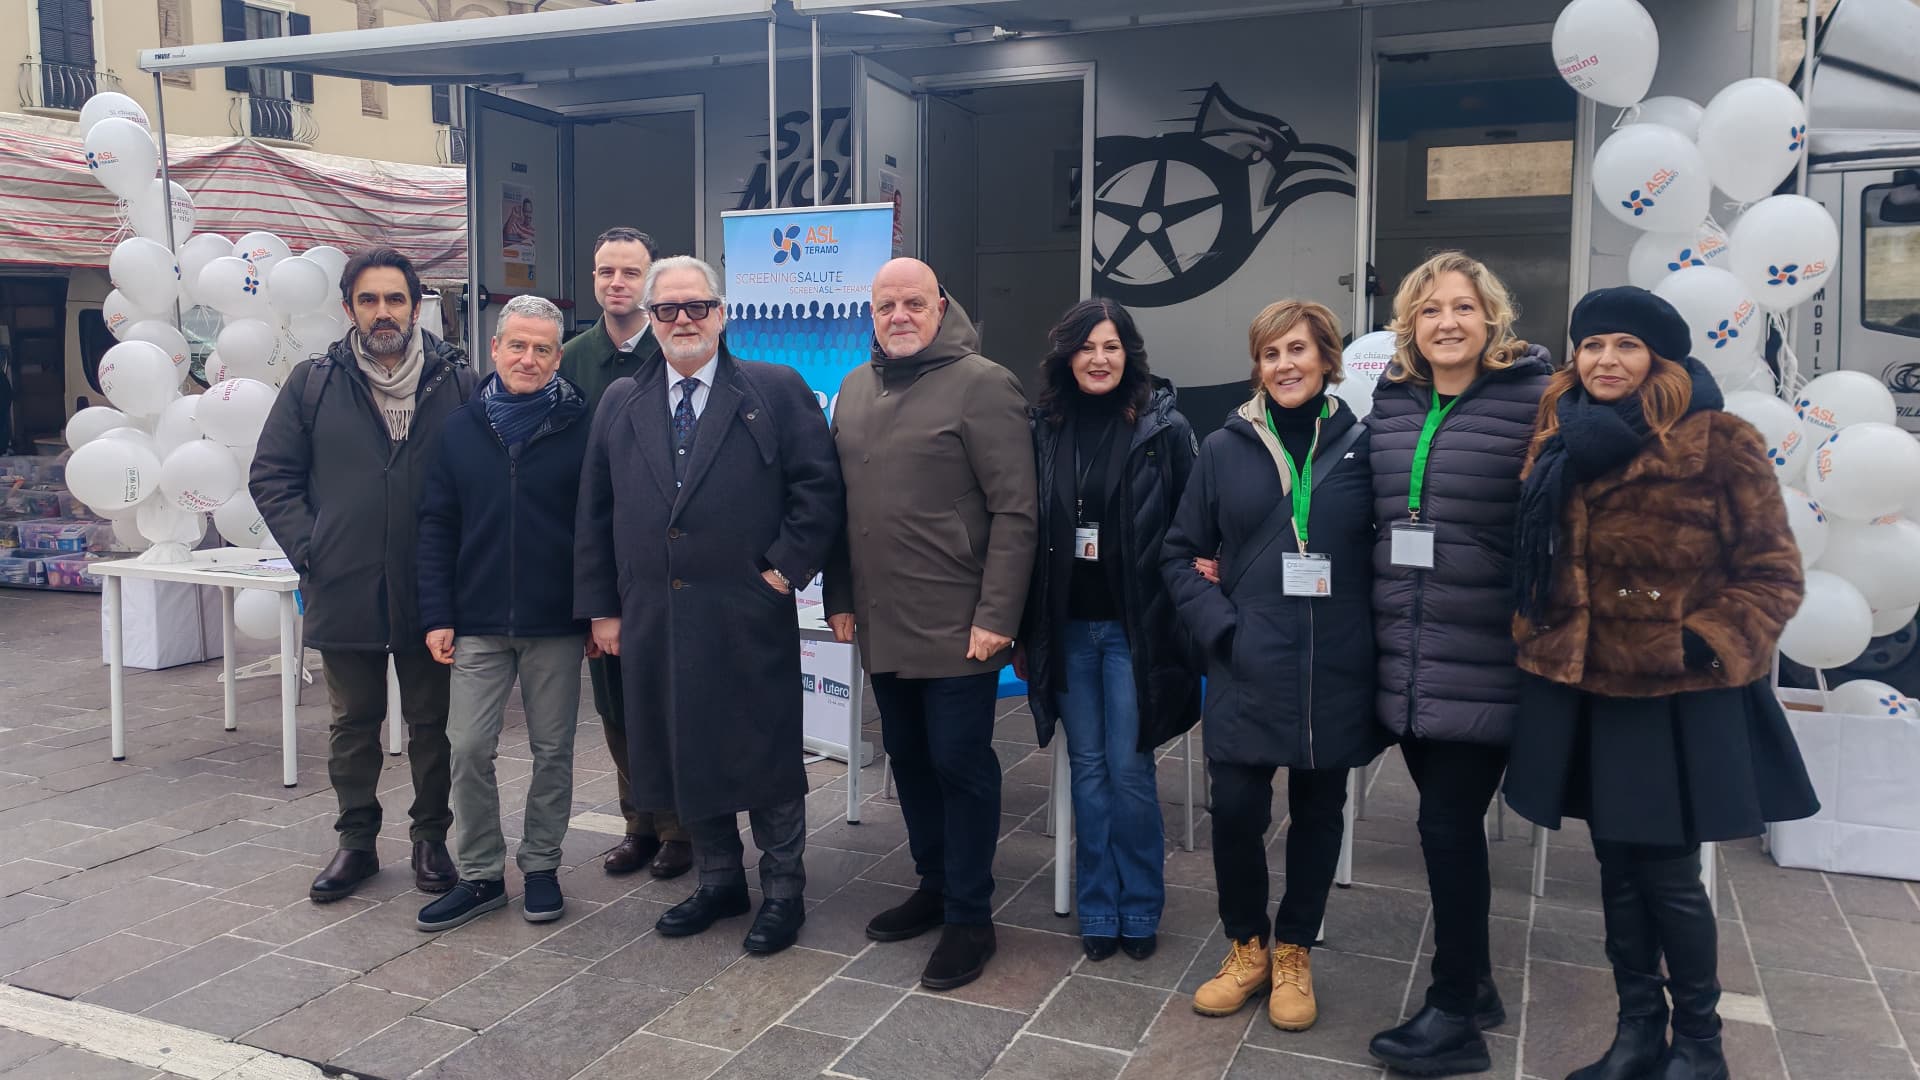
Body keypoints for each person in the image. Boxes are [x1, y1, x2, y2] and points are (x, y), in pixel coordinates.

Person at [1505, 287, 1817, 1080]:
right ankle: (1638, 1032)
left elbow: (1773, 576)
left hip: (1672, 695)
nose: (1606, 360)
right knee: (1614, 869)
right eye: (1592, 344)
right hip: (1583, 689)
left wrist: (1690, 638)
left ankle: (1702, 1047)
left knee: (1670, 877)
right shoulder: (1558, 437)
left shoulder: (1717, 441)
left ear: (1659, 359)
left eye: (1626, 346)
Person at [574, 255, 843, 956]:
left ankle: (784, 889)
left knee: (764, 752)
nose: (684, 320)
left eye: (697, 307)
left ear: (722, 314)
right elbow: (595, 511)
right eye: (669, 310)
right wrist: (603, 608)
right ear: (652, 320)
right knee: (688, 747)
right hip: (656, 613)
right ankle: (721, 880)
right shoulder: (620, 402)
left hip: (747, 608)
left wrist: (782, 573)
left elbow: (818, 492)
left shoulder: (776, 390)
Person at [1168, 300, 1383, 1032]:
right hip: (1247, 661)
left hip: (1334, 666)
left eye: (1298, 351)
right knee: (1234, 811)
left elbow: (1386, 552)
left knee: (1321, 813)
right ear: (1256, 366)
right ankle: (1247, 947)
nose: (1284, 365)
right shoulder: (1224, 449)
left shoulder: (1364, 447)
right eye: (1270, 354)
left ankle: (1295, 949)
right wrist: (1221, 631)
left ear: (1327, 357)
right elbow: (1178, 552)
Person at [823, 258, 1037, 992]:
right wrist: (839, 597)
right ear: (872, 313)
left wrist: (997, 617)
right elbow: (842, 511)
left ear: (940, 306)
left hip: (959, 627)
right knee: (908, 761)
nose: (899, 315)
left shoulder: (984, 384)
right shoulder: (854, 389)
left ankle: (972, 917)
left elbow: (1016, 510)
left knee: (960, 764)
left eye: (913, 302)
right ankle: (935, 884)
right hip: (882, 623)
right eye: (886, 305)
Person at [1364, 251, 1552, 1075]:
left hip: (1485, 655)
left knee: (1444, 825)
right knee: (1449, 830)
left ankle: (1453, 1013)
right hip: (1404, 656)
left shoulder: (1535, 401)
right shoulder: (1393, 399)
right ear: (1411, 324)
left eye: (1463, 308)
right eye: (1431, 309)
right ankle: (1474, 988)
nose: (1447, 322)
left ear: (1492, 319)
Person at [251, 248, 475, 904]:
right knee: (354, 722)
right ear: (349, 308)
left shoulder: (457, 381)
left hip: (432, 587)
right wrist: (311, 546)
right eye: (370, 300)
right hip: (344, 581)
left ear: (416, 306)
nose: (384, 313)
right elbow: (271, 474)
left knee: (434, 722)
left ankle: (430, 839)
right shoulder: (313, 382)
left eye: (396, 300)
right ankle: (356, 842)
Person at [1016, 299, 1200, 964]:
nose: (1100, 358)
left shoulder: (1165, 429)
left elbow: (1191, 526)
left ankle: (1141, 904)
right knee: (1087, 770)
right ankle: (1097, 905)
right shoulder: (1041, 429)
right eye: (1088, 346)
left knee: (1129, 770)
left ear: (1130, 355)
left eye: (1113, 346)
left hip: (1134, 632)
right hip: (1066, 628)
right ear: (1067, 355)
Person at [413, 296, 590, 932]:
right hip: (478, 621)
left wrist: (596, 611)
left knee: (554, 751)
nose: (529, 358)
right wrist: (437, 613)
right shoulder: (460, 428)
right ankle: (482, 875)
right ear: (494, 349)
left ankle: (541, 865)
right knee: (466, 746)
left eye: (543, 348)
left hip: (556, 624)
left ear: (558, 355)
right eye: (517, 345)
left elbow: (598, 526)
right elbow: (436, 525)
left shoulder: (582, 425)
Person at [559, 226, 693, 881]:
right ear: (593, 279)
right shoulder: (571, 358)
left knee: (670, 697)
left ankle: (681, 830)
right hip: (604, 567)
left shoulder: (679, 351)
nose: (618, 283)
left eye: (630, 273)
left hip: (673, 563)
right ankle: (638, 822)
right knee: (614, 702)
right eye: (606, 271)